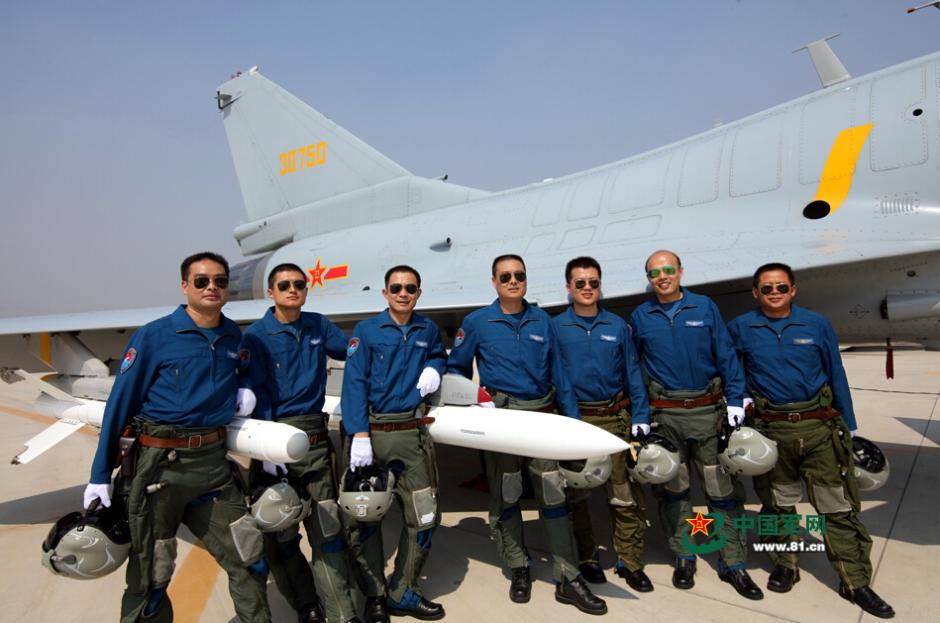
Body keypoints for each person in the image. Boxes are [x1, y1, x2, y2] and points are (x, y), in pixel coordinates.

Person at [83, 252, 271, 623]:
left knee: (250, 558)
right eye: (202, 281)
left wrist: (247, 385)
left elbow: (250, 370)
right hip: (159, 472)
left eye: (219, 281)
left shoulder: (233, 336)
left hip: (213, 470)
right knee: (150, 575)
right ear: (185, 286)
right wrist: (100, 474)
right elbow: (120, 405)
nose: (211, 287)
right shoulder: (154, 336)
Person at [727, 263, 895, 619]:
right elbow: (733, 373)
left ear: (793, 289)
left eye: (781, 287)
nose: (775, 293)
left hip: (819, 429)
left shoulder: (816, 324)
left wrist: (849, 425)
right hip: (772, 431)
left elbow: (836, 371)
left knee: (837, 508)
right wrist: (739, 405)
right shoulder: (741, 327)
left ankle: (855, 582)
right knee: (778, 505)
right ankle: (785, 564)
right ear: (756, 293)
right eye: (767, 288)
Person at [447, 254, 607, 616]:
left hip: (540, 418)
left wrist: (574, 424)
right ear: (494, 282)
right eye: (505, 277)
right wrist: (472, 404)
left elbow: (559, 374)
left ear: (526, 279)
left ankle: (568, 577)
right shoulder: (477, 322)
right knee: (506, 497)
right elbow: (456, 369)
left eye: (518, 275)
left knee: (553, 497)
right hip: (502, 422)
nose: (513, 281)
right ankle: (518, 566)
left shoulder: (541, 321)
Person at [629, 250, 762, 600]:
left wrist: (736, 398)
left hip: (707, 414)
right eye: (655, 272)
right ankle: (684, 556)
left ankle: (733, 563)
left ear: (680, 272)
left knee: (722, 491)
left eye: (668, 269)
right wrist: (641, 415)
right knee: (675, 492)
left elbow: (725, 353)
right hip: (666, 416)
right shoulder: (642, 316)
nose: (662, 276)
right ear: (649, 279)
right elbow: (633, 367)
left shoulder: (704, 307)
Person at [240, 263, 358, 623]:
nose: (293, 289)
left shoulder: (318, 325)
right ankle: (306, 606)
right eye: (284, 285)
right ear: (271, 292)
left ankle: (342, 614)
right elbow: (255, 389)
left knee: (329, 531)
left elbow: (352, 349)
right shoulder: (255, 336)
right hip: (274, 442)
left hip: (316, 445)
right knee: (283, 537)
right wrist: (266, 446)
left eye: (299, 284)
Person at [340, 265, 447, 622]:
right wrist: (359, 434)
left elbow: (438, 354)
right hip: (373, 437)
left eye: (410, 288)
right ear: (385, 293)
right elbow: (354, 383)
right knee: (366, 519)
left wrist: (435, 367)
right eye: (397, 288)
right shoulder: (367, 331)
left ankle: (402, 591)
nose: (404, 294)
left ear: (419, 293)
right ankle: (374, 595)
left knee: (425, 515)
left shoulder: (427, 329)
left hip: (412, 438)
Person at [552, 256, 654, 593]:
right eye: (580, 283)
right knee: (578, 498)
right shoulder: (557, 328)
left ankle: (630, 562)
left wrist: (640, 417)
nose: (587, 288)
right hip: (579, 420)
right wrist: (572, 421)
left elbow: (633, 373)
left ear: (600, 285)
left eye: (593, 283)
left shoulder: (616, 326)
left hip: (616, 419)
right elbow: (559, 378)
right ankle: (587, 559)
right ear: (569, 287)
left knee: (624, 496)